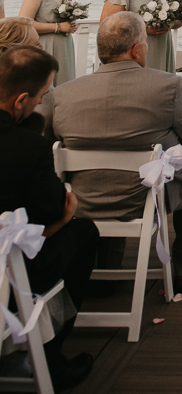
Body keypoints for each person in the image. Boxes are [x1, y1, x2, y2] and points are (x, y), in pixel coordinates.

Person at [51, 12, 182, 291]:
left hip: (82, 200)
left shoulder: (62, 93)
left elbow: (51, 142)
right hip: (142, 198)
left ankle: (104, 271)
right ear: (137, 49)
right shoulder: (168, 85)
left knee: (107, 173)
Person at [0, 46, 97, 392]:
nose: (41, 104)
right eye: (41, 97)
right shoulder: (28, 147)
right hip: (6, 279)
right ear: (21, 99)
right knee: (83, 232)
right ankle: (51, 357)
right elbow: (50, 214)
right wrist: (65, 215)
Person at [19, 0, 79, 85]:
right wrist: (58, 27)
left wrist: (71, 25)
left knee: (66, 86)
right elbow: (23, 23)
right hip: (44, 46)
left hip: (65, 45)